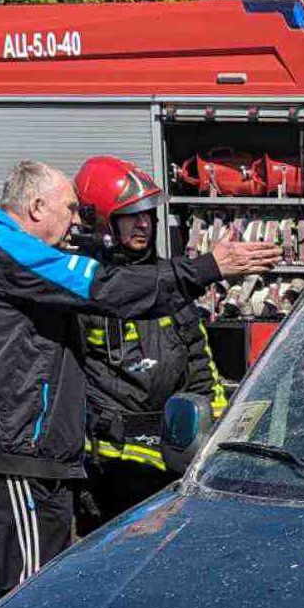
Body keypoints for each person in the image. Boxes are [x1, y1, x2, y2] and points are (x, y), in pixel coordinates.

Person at [0, 160, 280, 596]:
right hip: (12, 454)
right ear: (37, 207)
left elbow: (195, 364)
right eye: (71, 209)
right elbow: (102, 288)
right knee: (35, 598)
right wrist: (206, 267)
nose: (78, 220)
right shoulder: (4, 248)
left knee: (49, 588)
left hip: (27, 453)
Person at [73, 157, 229, 531]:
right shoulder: (84, 289)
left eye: (147, 215)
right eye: (131, 216)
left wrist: (217, 438)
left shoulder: (170, 285)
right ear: (102, 223)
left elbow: (202, 371)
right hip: (110, 467)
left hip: (173, 462)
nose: (144, 223)